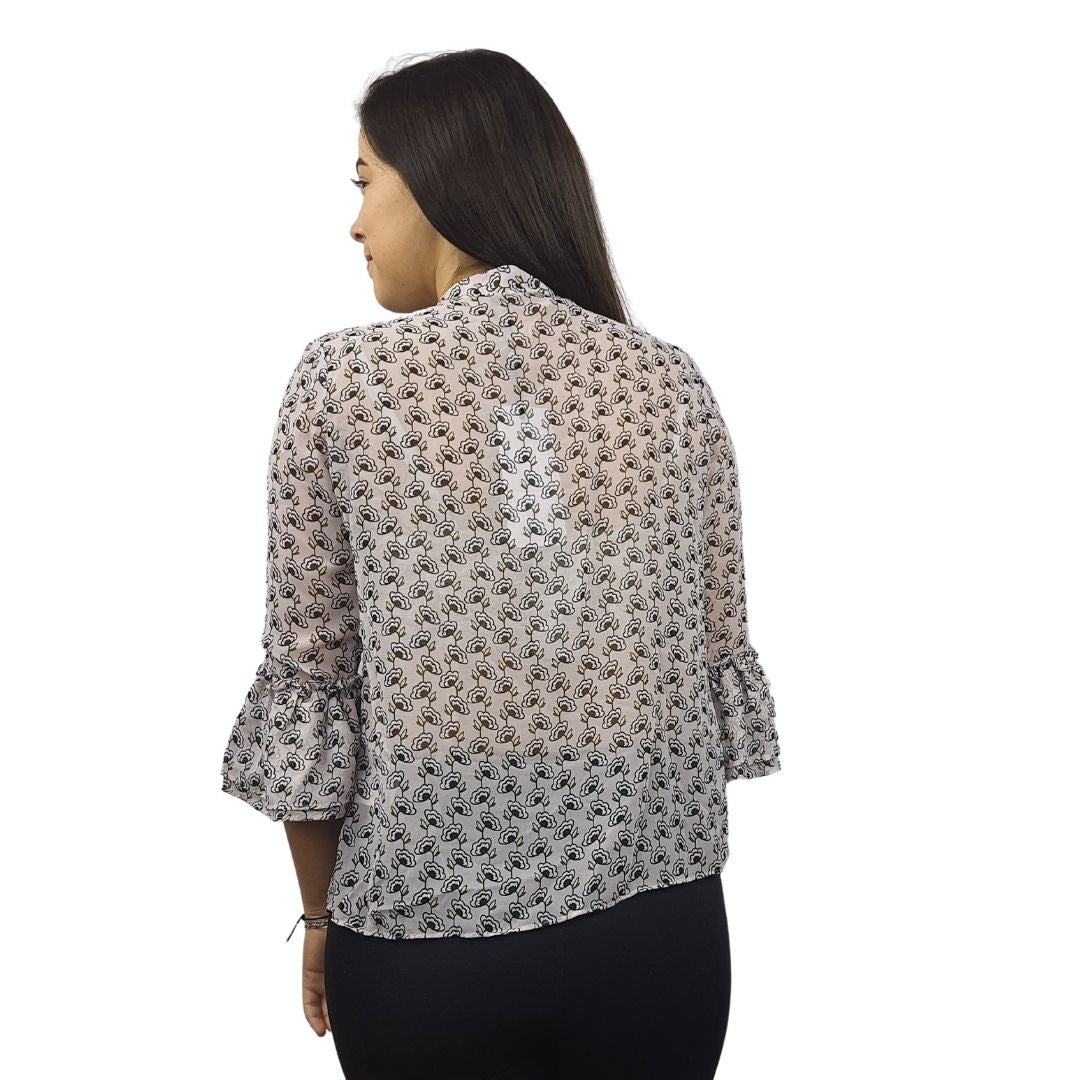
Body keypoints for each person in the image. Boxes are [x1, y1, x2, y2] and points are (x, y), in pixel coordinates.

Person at [219, 47, 781, 1080]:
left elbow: (311, 680)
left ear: (439, 179)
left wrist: (318, 914)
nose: (355, 223)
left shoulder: (345, 383)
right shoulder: (670, 387)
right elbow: (705, 676)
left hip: (425, 948)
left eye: (364, 182)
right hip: (662, 937)